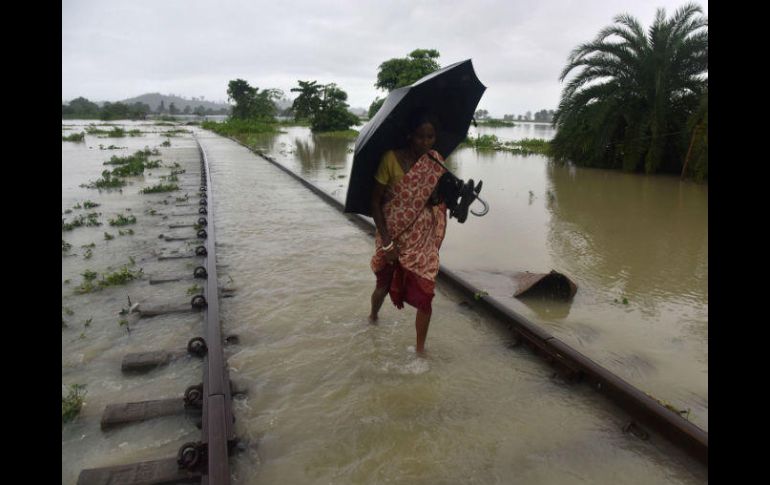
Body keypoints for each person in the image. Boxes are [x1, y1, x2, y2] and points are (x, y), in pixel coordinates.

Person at [368, 112, 448, 354]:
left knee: (426, 291)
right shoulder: (390, 159)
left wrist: (442, 196)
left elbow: (435, 198)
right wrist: (387, 244)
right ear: (410, 136)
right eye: (421, 137)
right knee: (382, 284)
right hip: (392, 232)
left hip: (421, 236)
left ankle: (421, 349)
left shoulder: (435, 161)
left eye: (431, 137)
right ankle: (373, 316)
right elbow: (375, 203)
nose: (426, 142)